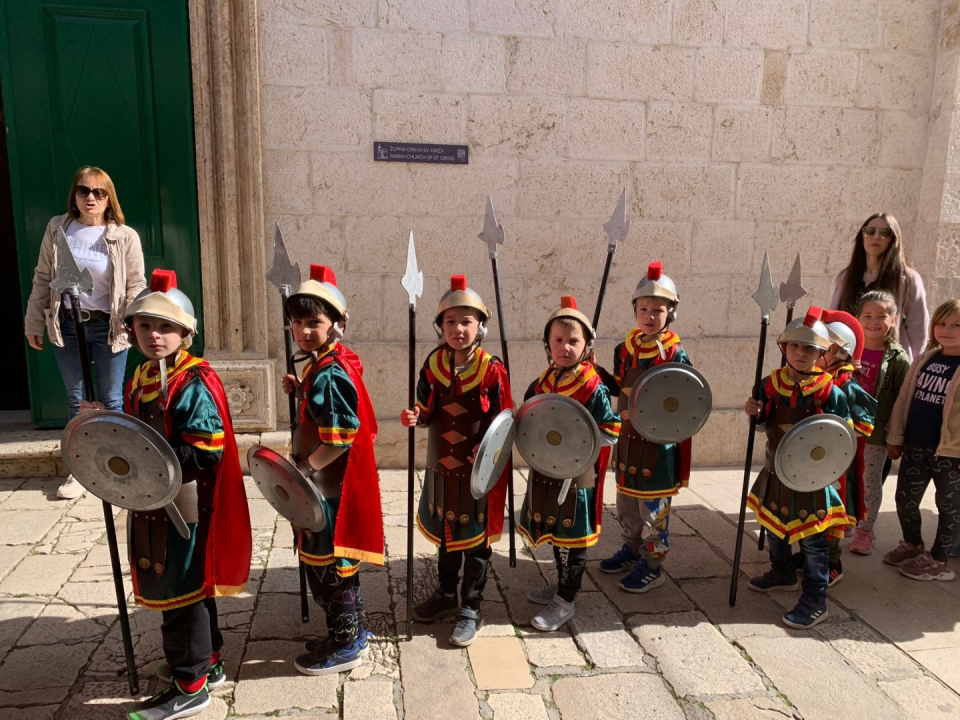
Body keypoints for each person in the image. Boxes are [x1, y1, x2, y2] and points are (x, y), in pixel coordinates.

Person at [89, 269, 251, 720]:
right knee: (179, 587)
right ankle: (208, 662)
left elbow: (206, 451)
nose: (154, 335)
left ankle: (191, 684)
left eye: (165, 327)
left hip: (183, 506)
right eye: (144, 325)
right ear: (131, 330)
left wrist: (143, 456)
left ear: (186, 332)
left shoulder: (193, 380)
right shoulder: (143, 374)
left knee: (181, 593)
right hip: (151, 502)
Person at [281, 265, 384, 674]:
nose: (305, 331)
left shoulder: (329, 372)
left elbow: (340, 434)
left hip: (328, 487)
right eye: (297, 323)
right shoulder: (326, 363)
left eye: (315, 323)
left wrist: (305, 467)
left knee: (328, 569)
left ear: (337, 325)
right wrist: (302, 387)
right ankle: (353, 632)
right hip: (331, 486)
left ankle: (345, 645)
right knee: (339, 565)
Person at [400, 274, 512, 647]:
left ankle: (472, 606)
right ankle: (447, 594)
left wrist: (491, 469)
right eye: (450, 321)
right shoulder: (433, 364)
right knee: (447, 537)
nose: (458, 328)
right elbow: (425, 405)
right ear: (440, 326)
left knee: (476, 543)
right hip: (442, 472)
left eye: (466, 321)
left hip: (475, 474)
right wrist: (417, 414)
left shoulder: (491, 370)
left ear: (480, 326)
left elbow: (504, 423)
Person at [23, 166, 145, 500]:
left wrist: (130, 319)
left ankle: (121, 469)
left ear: (109, 198)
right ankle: (80, 471)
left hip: (109, 325)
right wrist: (34, 321)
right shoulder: (58, 228)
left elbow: (136, 284)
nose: (90, 197)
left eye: (99, 192)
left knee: (112, 399)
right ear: (74, 195)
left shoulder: (124, 235)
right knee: (77, 400)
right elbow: (43, 276)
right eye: (83, 190)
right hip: (68, 323)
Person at [745, 308, 853, 629]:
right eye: (794, 346)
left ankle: (816, 599)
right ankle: (782, 572)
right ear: (784, 349)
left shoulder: (829, 392)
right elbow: (764, 423)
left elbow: (841, 436)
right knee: (775, 527)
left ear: (822, 353)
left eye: (809, 348)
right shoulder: (769, 384)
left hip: (813, 479)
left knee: (813, 542)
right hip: (776, 470)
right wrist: (755, 412)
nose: (801, 353)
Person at [520, 296, 619, 632]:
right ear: (548, 345)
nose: (565, 348)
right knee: (553, 530)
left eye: (573, 341)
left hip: (577, 477)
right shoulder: (543, 382)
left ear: (586, 345)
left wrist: (582, 445)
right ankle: (560, 583)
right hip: (546, 471)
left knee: (573, 537)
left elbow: (610, 430)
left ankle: (566, 599)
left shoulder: (593, 386)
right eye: (558, 341)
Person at [595, 262, 693, 593]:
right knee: (626, 504)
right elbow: (620, 387)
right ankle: (631, 548)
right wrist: (595, 372)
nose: (649, 315)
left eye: (658, 310)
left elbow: (687, 398)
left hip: (658, 447)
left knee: (653, 510)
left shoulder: (676, 354)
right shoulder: (625, 349)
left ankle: (653, 564)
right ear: (635, 311)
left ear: (671, 314)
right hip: (628, 440)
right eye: (644, 309)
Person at [883, 299, 960, 582]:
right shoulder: (925, 359)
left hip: (950, 453)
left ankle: (940, 560)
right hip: (917, 445)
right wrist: (896, 436)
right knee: (905, 499)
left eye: (956, 325)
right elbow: (904, 399)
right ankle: (913, 543)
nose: (947, 330)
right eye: (942, 323)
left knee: (949, 505)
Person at [814, 311, 878, 584]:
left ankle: (832, 562)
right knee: (811, 510)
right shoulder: (813, 377)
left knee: (831, 514)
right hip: (813, 460)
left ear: (841, 351)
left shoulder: (849, 386)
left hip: (837, 466)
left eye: (823, 346)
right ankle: (810, 557)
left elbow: (861, 427)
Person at [848, 291, 910, 555]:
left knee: (870, 481)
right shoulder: (849, 350)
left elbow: (903, 400)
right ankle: (848, 519)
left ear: (894, 320)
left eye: (881, 316)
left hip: (875, 432)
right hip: (845, 427)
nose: (874, 322)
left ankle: (866, 530)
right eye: (868, 316)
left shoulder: (898, 359)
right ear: (857, 319)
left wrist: (896, 435)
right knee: (846, 477)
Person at [830, 213, 928, 359]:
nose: (876, 237)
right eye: (870, 231)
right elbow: (834, 317)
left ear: (893, 239)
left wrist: (910, 368)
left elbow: (918, 328)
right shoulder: (846, 276)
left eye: (884, 233)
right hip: (846, 358)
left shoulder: (908, 278)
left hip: (886, 363)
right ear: (862, 236)